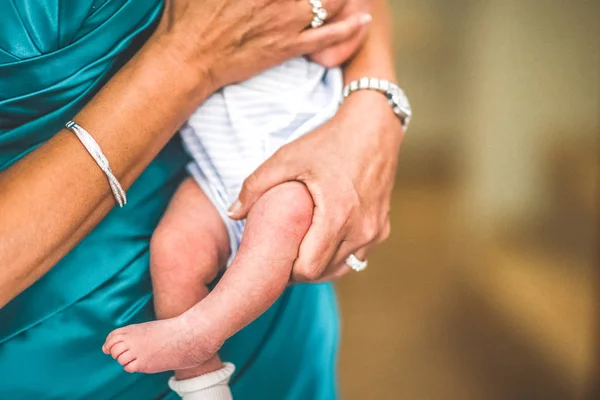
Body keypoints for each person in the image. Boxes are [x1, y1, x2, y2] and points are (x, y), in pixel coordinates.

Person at [0, 0, 405, 398]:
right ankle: (200, 378)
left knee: (281, 218)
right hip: (211, 170)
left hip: (292, 149)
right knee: (175, 249)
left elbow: (353, 24)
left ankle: (203, 330)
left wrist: (372, 105)